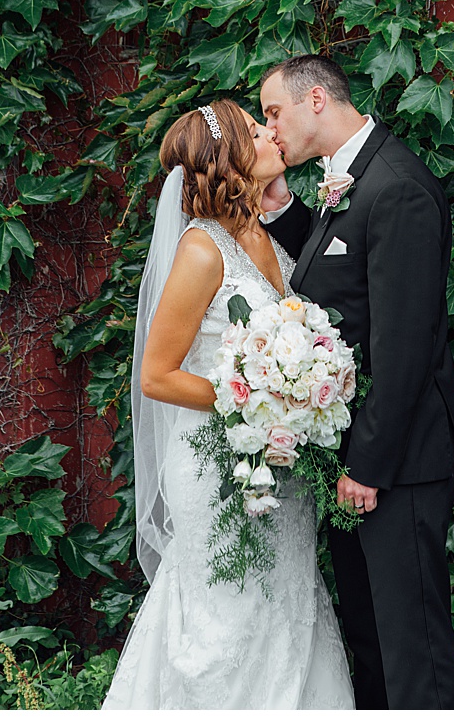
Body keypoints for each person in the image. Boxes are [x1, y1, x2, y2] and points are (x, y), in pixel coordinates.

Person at [104, 100, 353, 710]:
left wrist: (293, 400)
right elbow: (156, 375)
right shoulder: (202, 250)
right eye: (253, 129)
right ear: (230, 159)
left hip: (279, 465)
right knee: (225, 622)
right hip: (219, 469)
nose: (270, 132)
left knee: (288, 605)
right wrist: (253, 401)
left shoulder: (266, 234)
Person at [259, 54, 454, 710]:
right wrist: (285, 212)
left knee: (415, 653)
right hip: (357, 457)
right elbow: (338, 279)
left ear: (315, 99)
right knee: (373, 643)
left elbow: (402, 348)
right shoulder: (345, 176)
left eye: (273, 112)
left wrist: (369, 469)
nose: (271, 128)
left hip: (397, 462)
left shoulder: (397, 184)